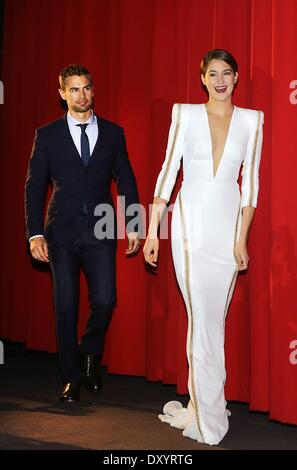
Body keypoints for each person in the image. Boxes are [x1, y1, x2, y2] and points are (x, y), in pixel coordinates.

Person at [143, 49, 264, 445]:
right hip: (189, 224)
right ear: (202, 78)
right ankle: (209, 414)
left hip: (227, 228)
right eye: (212, 74)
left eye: (226, 73)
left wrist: (241, 237)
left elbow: (251, 185)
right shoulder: (185, 114)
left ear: (236, 78)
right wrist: (151, 231)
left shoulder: (252, 121)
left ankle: (205, 402)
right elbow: (167, 172)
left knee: (214, 320)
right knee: (201, 319)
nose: (220, 80)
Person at [25, 64, 140, 403]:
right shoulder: (46, 135)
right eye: (74, 89)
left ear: (93, 89)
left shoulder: (113, 133)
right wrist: (34, 234)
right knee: (66, 306)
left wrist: (134, 222)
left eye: (86, 88)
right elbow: (34, 188)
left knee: (105, 299)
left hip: (103, 225)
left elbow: (127, 179)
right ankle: (71, 376)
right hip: (60, 229)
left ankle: (90, 354)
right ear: (62, 94)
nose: (82, 95)